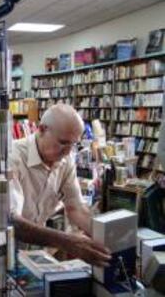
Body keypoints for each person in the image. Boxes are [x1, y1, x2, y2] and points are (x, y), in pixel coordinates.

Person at [9, 104, 111, 267]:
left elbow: (76, 208)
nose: (68, 151)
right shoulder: (11, 158)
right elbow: (11, 221)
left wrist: (105, 239)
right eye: (63, 142)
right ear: (41, 130)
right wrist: (68, 242)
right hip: (4, 248)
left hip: (34, 247)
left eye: (73, 144)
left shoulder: (65, 159)